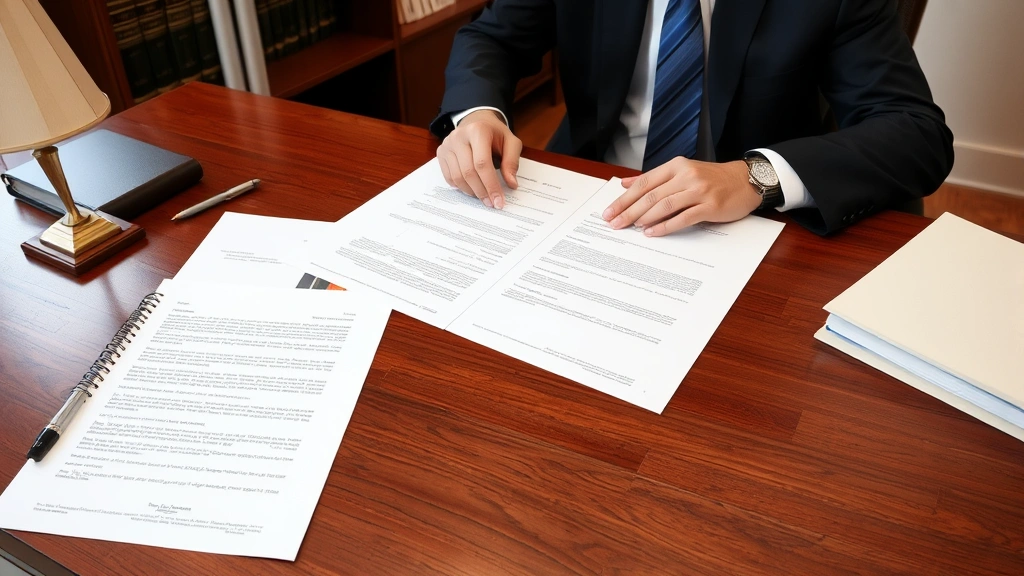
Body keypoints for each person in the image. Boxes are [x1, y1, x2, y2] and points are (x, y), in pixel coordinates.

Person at [429, 0, 954, 236]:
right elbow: (491, 37)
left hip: (751, 227)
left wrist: (756, 175)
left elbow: (915, 130)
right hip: (591, 199)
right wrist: (474, 114)